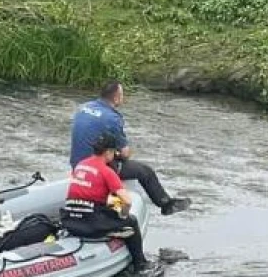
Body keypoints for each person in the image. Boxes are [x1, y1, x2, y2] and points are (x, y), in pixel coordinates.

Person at [70, 80, 190, 216]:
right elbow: (125, 153)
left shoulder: (83, 107)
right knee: (145, 171)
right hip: (97, 167)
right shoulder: (113, 118)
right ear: (116, 97)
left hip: (77, 164)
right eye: (122, 95)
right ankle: (166, 204)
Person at [62, 133, 150, 272]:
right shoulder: (106, 171)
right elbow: (127, 200)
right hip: (91, 226)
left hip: (70, 222)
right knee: (131, 222)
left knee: (105, 206)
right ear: (108, 152)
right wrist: (123, 216)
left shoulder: (81, 165)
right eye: (114, 152)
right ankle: (140, 264)